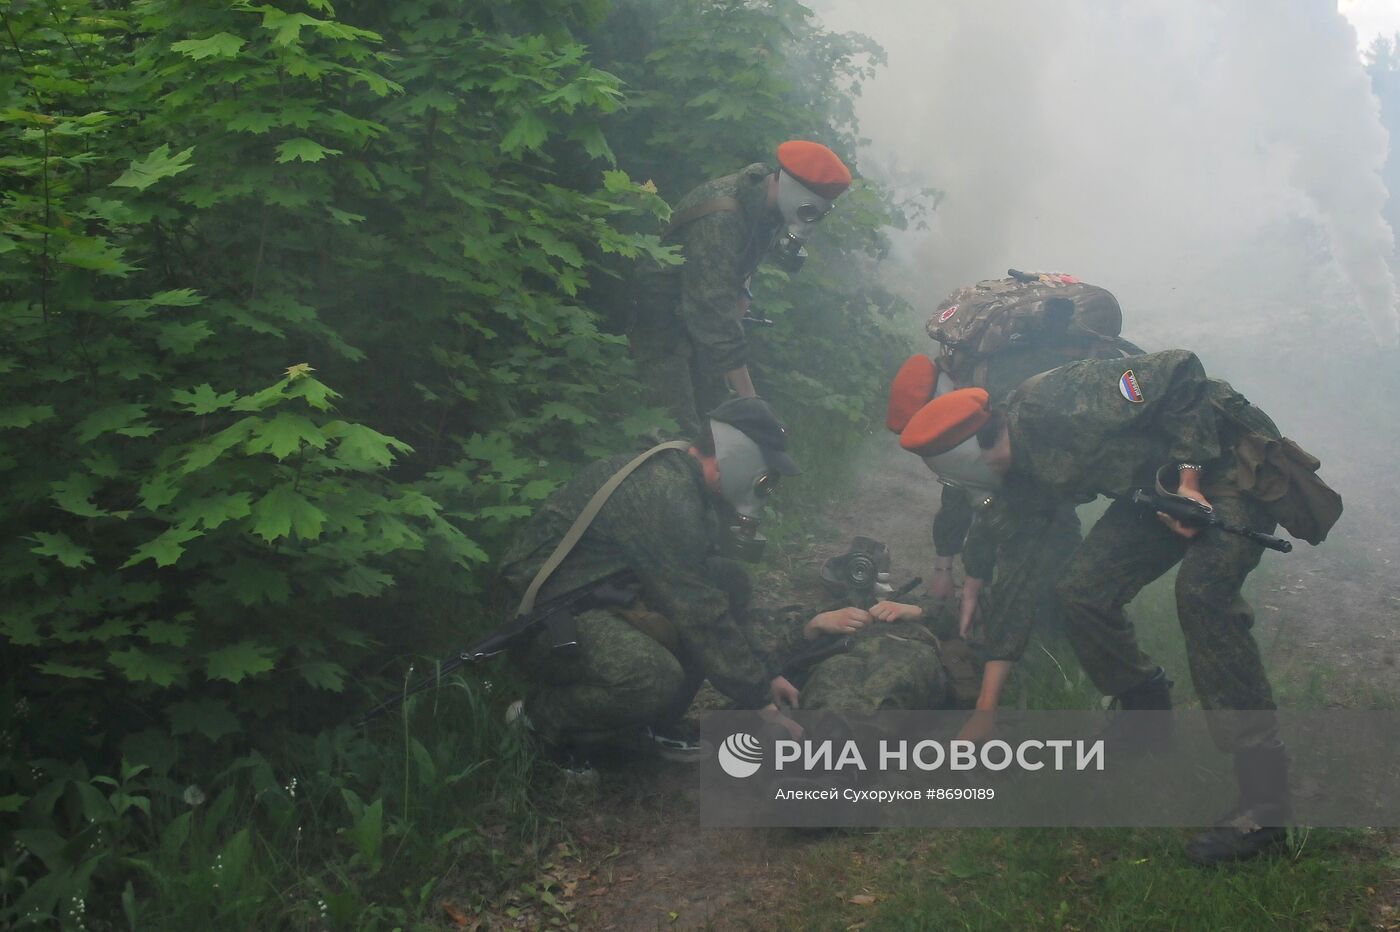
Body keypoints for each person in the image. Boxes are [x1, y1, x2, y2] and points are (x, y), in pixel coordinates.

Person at [905, 349, 1343, 864]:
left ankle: (1265, 802)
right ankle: (1146, 712)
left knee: (1203, 596)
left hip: (1224, 465)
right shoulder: (1018, 474)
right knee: (1080, 591)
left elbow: (1182, 373)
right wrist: (986, 708)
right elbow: (1022, 578)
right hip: (1157, 488)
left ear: (982, 446)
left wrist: (1189, 482)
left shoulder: (1057, 401)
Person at [499, 397, 805, 758]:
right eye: (765, 473)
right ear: (738, 458)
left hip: (600, 595)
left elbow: (709, 593)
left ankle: (654, 725)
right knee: (651, 677)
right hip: (543, 620)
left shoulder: (682, 476)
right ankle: (537, 721)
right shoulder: (666, 494)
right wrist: (760, 702)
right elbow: (700, 613)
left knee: (728, 579)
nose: (764, 485)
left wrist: (767, 675)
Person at [629, 141, 853, 436]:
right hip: (663, 328)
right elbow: (714, 317)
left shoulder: (765, 204)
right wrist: (751, 401)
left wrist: (743, 290)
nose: (809, 222)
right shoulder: (722, 216)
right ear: (795, 193)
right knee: (676, 434)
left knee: (719, 425)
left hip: (696, 325)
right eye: (810, 212)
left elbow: (741, 257)